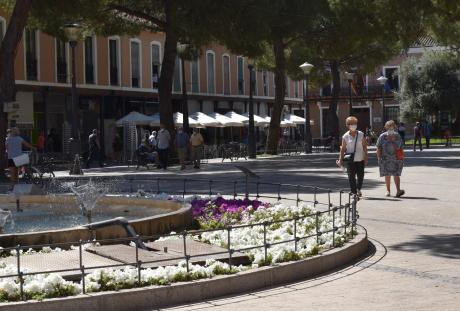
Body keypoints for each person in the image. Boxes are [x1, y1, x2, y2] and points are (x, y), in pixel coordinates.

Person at [337, 116, 368, 197]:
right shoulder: (345, 136)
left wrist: (366, 156)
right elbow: (343, 148)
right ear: (348, 125)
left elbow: (364, 146)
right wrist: (340, 159)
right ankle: (354, 192)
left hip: (360, 158)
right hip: (350, 160)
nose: (353, 125)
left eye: (355, 123)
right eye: (351, 124)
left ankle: (358, 189)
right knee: (351, 176)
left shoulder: (361, 134)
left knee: (361, 175)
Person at [376, 120, 405, 198]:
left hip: (396, 159)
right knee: (387, 174)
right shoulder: (382, 136)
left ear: (394, 127)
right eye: (388, 127)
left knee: (396, 174)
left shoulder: (397, 135)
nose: (390, 128)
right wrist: (378, 157)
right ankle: (388, 190)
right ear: (386, 127)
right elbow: (378, 147)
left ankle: (398, 190)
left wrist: (394, 140)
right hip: (385, 158)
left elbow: (401, 147)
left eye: (392, 127)